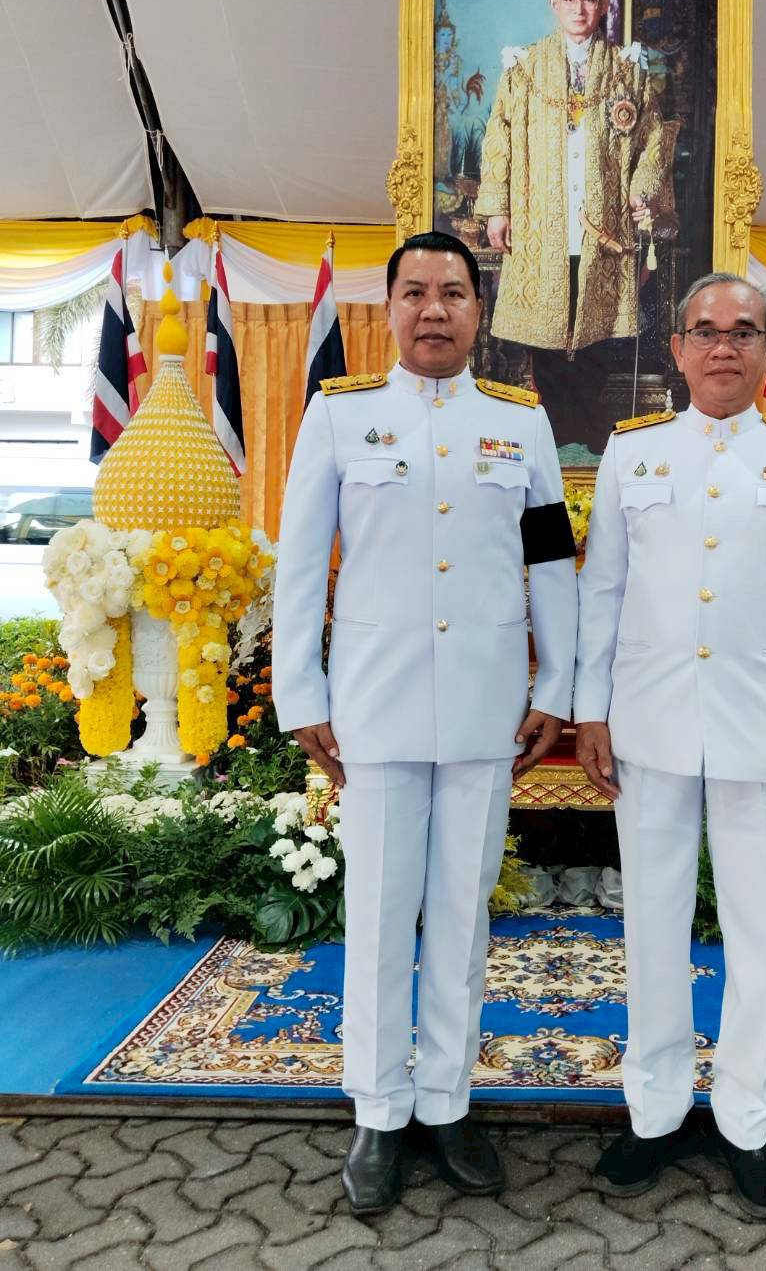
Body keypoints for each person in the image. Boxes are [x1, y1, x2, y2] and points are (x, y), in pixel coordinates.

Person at [272, 230, 579, 1217]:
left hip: (487, 705)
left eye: (452, 292)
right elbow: (298, 562)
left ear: (479, 311)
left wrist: (556, 682)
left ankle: (448, 1100)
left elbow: (547, 561)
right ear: (389, 308)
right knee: (377, 913)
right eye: (415, 292)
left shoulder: (520, 424)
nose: (434, 309)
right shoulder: (339, 415)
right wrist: (302, 695)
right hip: (375, 703)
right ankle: (377, 1109)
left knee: (461, 908)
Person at [574, 272, 766, 1217]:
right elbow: (603, 590)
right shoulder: (634, 451)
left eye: (744, 330)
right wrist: (592, 709)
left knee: (755, 930)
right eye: (707, 331)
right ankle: (654, 1110)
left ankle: (746, 1119)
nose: (725, 347)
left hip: (760, 726)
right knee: (651, 923)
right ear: (679, 349)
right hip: (649, 724)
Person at [475, 0, 667, 450]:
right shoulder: (524, 67)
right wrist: (498, 208)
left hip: (602, 225)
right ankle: (555, 435)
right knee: (548, 333)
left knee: (596, 331)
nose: (579, 9)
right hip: (543, 223)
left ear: (602, 5)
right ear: (554, 4)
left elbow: (655, 139)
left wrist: (641, 192)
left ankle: (591, 437)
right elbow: (498, 140)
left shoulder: (627, 69)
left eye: (589, 0)